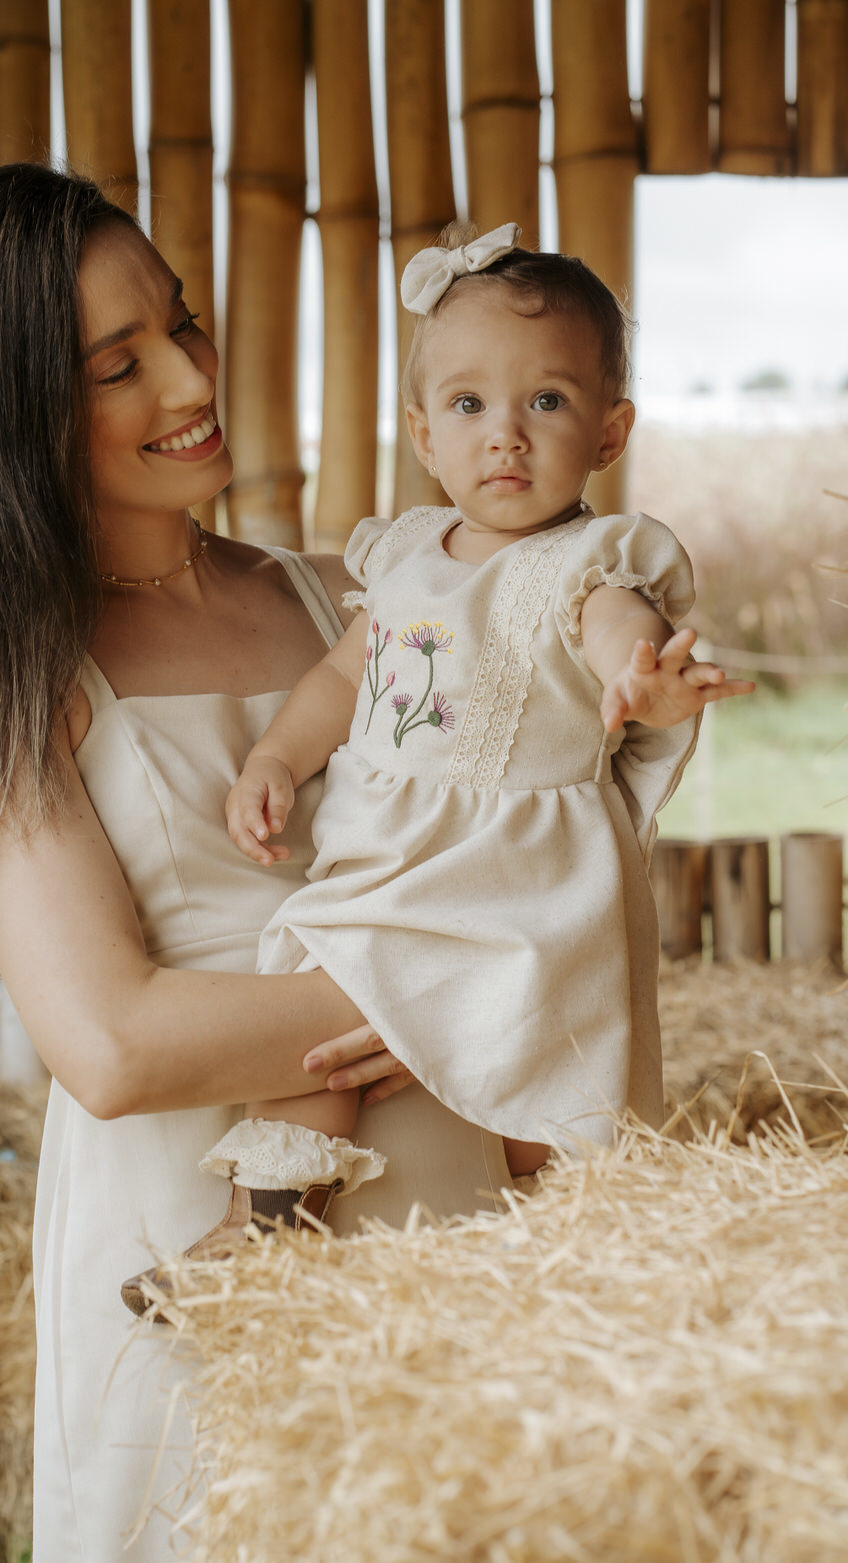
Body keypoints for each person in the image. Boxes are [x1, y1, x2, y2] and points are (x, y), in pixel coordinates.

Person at [0, 166, 521, 1563]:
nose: (194, 375)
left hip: (447, 1207)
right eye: (117, 363)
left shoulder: (357, 600)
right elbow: (116, 1043)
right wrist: (442, 995)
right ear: (5, 413)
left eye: (182, 321)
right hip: (194, 1239)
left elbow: (521, 828)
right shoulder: (13, 691)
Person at [123, 221, 754, 1313]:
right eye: (469, 406)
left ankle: (568, 1263)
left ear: (610, 432)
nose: (504, 437)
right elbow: (343, 672)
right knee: (319, 1021)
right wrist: (278, 754)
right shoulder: (407, 555)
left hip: (519, 885)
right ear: (422, 431)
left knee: (550, 1096)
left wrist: (639, 680)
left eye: (545, 404)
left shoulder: (588, 561)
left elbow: (614, 627)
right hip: (391, 863)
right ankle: (262, 1228)